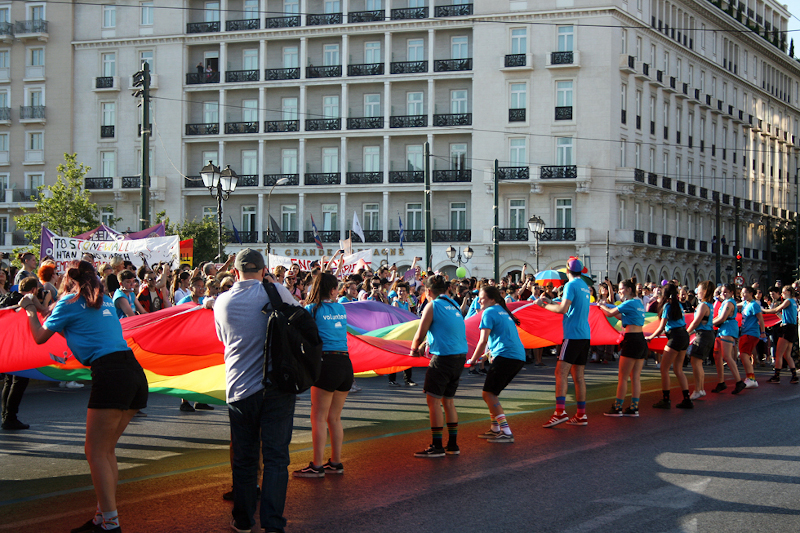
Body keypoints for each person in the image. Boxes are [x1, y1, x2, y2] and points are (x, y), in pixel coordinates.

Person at [22, 260, 148, 532]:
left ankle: (110, 524)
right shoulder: (102, 300)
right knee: (106, 451)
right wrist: (43, 307)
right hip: (133, 372)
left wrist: (30, 310)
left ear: (68, 281)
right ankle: (103, 519)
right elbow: (64, 314)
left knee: (95, 452)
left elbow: (40, 337)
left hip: (110, 373)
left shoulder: (68, 301)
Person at [213, 249, 298, 533]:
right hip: (277, 387)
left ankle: (243, 520)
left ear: (235, 273)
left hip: (240, 390)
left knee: (245, 459)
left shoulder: (221, 302)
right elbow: (298, 320)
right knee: (276, 458)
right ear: (263, 271)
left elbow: (223, 340)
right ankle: (273, 524)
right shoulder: (278, 292)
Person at [293, 273, 353, 477]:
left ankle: (317, 465)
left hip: (326, 363)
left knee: (318, 417)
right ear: (332, 289)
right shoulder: (341, 308)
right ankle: (336, 462)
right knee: (334, 418)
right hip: (345, 363)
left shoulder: (312, 309)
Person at [409, 275, 467, 457]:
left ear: (427, 292)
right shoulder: (454, 305)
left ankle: (436, 446)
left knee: (433, 401)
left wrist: (412, 350)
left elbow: (419, 334)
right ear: (446, 289)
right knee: (448, 401)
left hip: (443, 358)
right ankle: (452, 444)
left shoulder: (432, 305)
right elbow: (445, 329)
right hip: (459, 357)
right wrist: (426, 344)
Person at [467, 285, 525, 443]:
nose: (479, 300)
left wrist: (472, 360)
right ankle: (495, 428)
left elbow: (483, 340)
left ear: (491, 299)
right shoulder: (502, 310)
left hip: (507, 356)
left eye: (482, 297)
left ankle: (506, 431)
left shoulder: (489, 312)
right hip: (516, 356)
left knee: (488, 394)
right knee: (491, 394)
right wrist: (486, 355)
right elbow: (502, 337)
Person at [539, 257, 592, 427]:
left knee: (560, 373)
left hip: (573, 335)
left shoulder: (570, 285)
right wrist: (550, 301)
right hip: (584, 335)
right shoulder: (584, 286)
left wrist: (544, 306)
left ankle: (560, 412)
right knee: (579, 377)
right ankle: (581, 415)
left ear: (567, 271)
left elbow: (563, 309)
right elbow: (569, 305)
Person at [598, 278, 646, 417]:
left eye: (621, 288)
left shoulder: (630, 302)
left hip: (631, 340)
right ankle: (634, 407)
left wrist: (601, 305)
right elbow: (622, 316)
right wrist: (606, 306)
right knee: (635, 377)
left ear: (629, 289)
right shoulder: (638, 302)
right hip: (640, 340)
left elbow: (610, 313)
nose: (619, 291)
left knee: (623, 377)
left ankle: (617, 407)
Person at [646, 283, 694, 408]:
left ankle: (666, 399)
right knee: (678, 369)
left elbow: (662, 327)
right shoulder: (678, 305)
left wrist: (651, 337)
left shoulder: (668, 306)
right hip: (684, 336)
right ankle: (687, 399)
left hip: (675, 337)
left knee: (664, 368)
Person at [710, 284, 746, 394]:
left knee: (726, 356)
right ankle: (721, 382)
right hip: (723, 330)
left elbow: (722, 318)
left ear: (731, 293)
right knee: (717, 356)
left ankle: (739, 381)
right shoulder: (725, 303)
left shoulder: (729, 303)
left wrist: (708, 324)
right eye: (722, 292)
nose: (723, 294)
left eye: (725, 292)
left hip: (728, 329)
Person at [685, 281, 716, 400]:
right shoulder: (708, 305)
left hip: (703, 335)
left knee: (696, 362)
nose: (697, 292)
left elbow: (696, 321)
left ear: (704, 292)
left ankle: (698, 389)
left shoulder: (703, 305)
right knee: (698, 363)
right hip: (707, 334)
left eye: (698, 290)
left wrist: (686, 332)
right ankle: (700, 389)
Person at [762, 285, 799, 384]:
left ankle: (776, 376)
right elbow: (783, 316)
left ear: (788, 292)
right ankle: (794, 376)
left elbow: (775, 310)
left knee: (779, 353)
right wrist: (777, 314)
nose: (782, 294)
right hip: (792, 328)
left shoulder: (788, 301)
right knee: (787, 354)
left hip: (787, 328)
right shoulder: (794, 302)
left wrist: (763, 310)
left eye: (783, 292)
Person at [738, 285, 765, 389]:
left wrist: (763, 332)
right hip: (746, 332)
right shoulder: (745, 303)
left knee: (744, 355)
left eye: (745, 293)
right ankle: (750, 377)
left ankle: (751, 378)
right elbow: (735, 305)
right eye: (742, 293)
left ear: (751, 294)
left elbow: (760, 319)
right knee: (744, 354)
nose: (742, 295)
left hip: (751, 333)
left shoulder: (754, 305)